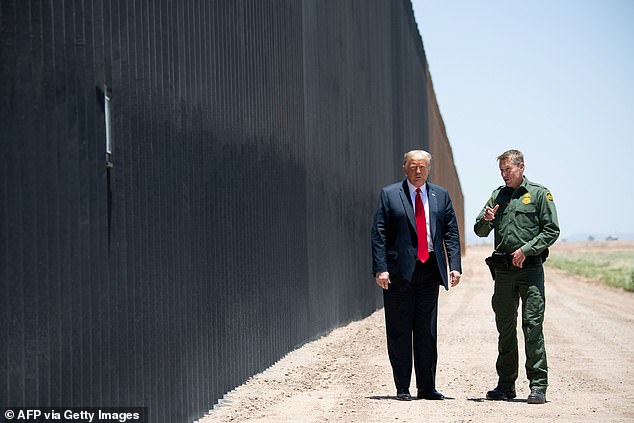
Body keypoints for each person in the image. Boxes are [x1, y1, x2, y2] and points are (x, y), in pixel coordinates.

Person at [371, 149, 462, 401]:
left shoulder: (441, 196)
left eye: (422, 166)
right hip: (399, 274)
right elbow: (379, 234)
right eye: (413, 166)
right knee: (400, 330)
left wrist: (454, 265)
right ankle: (402, 387)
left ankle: (426, 387)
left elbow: (451, 233)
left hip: (430, 271)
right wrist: (381, 268)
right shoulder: (389, 195)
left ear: (428, 168)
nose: (418, 171)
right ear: (405, 168)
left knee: (426, 331)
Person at [474, 149, 560, 405]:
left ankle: (538, 386)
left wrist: (527, 249)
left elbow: (552, 230)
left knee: (532, 326)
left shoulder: (538, 194)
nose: (504, 175)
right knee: (505, 328)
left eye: (507, 170)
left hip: (530, 270)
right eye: (501, 171)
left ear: (521, 167)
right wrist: (487, 219)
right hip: (503, 273)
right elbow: (479, 230)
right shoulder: (497, 194)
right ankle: (506, 385)